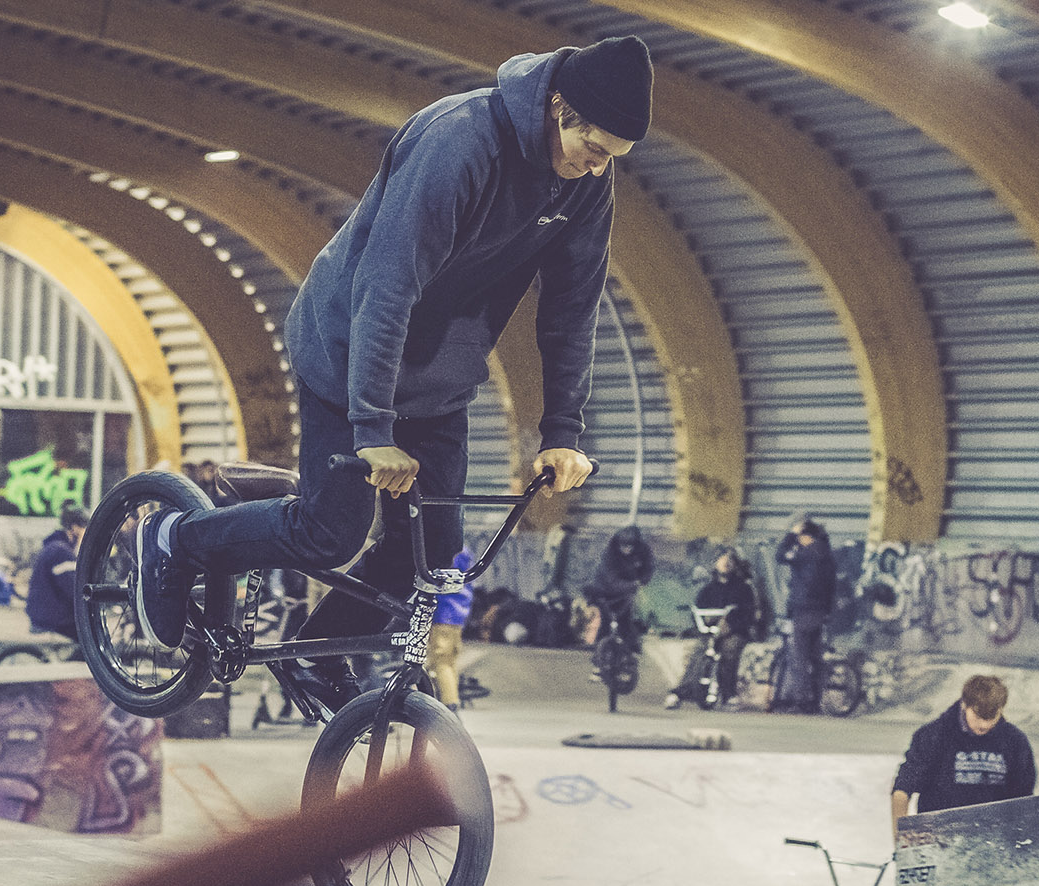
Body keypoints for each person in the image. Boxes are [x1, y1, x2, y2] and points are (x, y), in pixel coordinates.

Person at [133, 37, 651, 711]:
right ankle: (175, 538)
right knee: (331, 533)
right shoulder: (460, 142)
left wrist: (561, 430)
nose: (596, 167)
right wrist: (372, 427)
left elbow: (572, 311)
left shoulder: (587, 185)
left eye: (612, 155)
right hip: (347, 346)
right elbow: (387, 285)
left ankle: (320, 660)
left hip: (438, 377)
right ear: (560, 107)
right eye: (596, 147)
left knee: (435, 556)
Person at [890, 675, 1037, 840]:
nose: (984, 725)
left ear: (1001, 709)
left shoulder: (1015, 742)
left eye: (991, 718)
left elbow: (1024, 799)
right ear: (965, 704)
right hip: (939, 838)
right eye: (977, 716)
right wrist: (900, 838)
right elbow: (902, 789)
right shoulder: (933, 736)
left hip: (994, 840)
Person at [667, 547, 758, 709]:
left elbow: (748, 614)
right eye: (722, 559)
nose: (726, 563)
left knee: (729, 651)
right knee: (699, 653)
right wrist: (705, 625)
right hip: (710, 631)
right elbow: (698, 611)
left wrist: (731, 625)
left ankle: (728, 694)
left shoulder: (743, 589)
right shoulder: (708, 590)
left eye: (730, 560)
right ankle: (681, 692)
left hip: (734, 632)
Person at [772, 516, 835, 713]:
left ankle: (801, 701)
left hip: (804, 610)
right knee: (816, 657)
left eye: (800, 536)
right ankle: (815, 700)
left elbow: (780, 556)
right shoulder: (827, 554)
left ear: (805, 536)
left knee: (799, 658)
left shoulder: (806, 554)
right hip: (820, 612)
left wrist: (790, 535)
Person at [583, 525, 656, 655]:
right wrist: (633, 585)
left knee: (625, 619)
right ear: (618, 545)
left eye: (629, 546)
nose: (626, 549)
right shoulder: (609, 555)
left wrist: (642, 580)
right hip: (604, 589)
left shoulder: (642, 551)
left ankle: (630, 645)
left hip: (627, 589)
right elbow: (610, 580)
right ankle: (600, 644)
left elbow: (648, 568)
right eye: (623, 546)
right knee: (605, 619)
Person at [24, 506, 88, 641]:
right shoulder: (61, 551)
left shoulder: (55, 546)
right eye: (84, 528)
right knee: (90, 639)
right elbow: (73, 589)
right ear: (75, 528)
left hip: (44, 613)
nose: (86, 534)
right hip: (51, 617)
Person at [428, 548, 476, 712]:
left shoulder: (447, 550)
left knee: (441, 663)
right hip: (458, 613)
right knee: (449, 662)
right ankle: (449, 705)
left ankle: (449, 707)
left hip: (444, 613)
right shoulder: (464, 549)